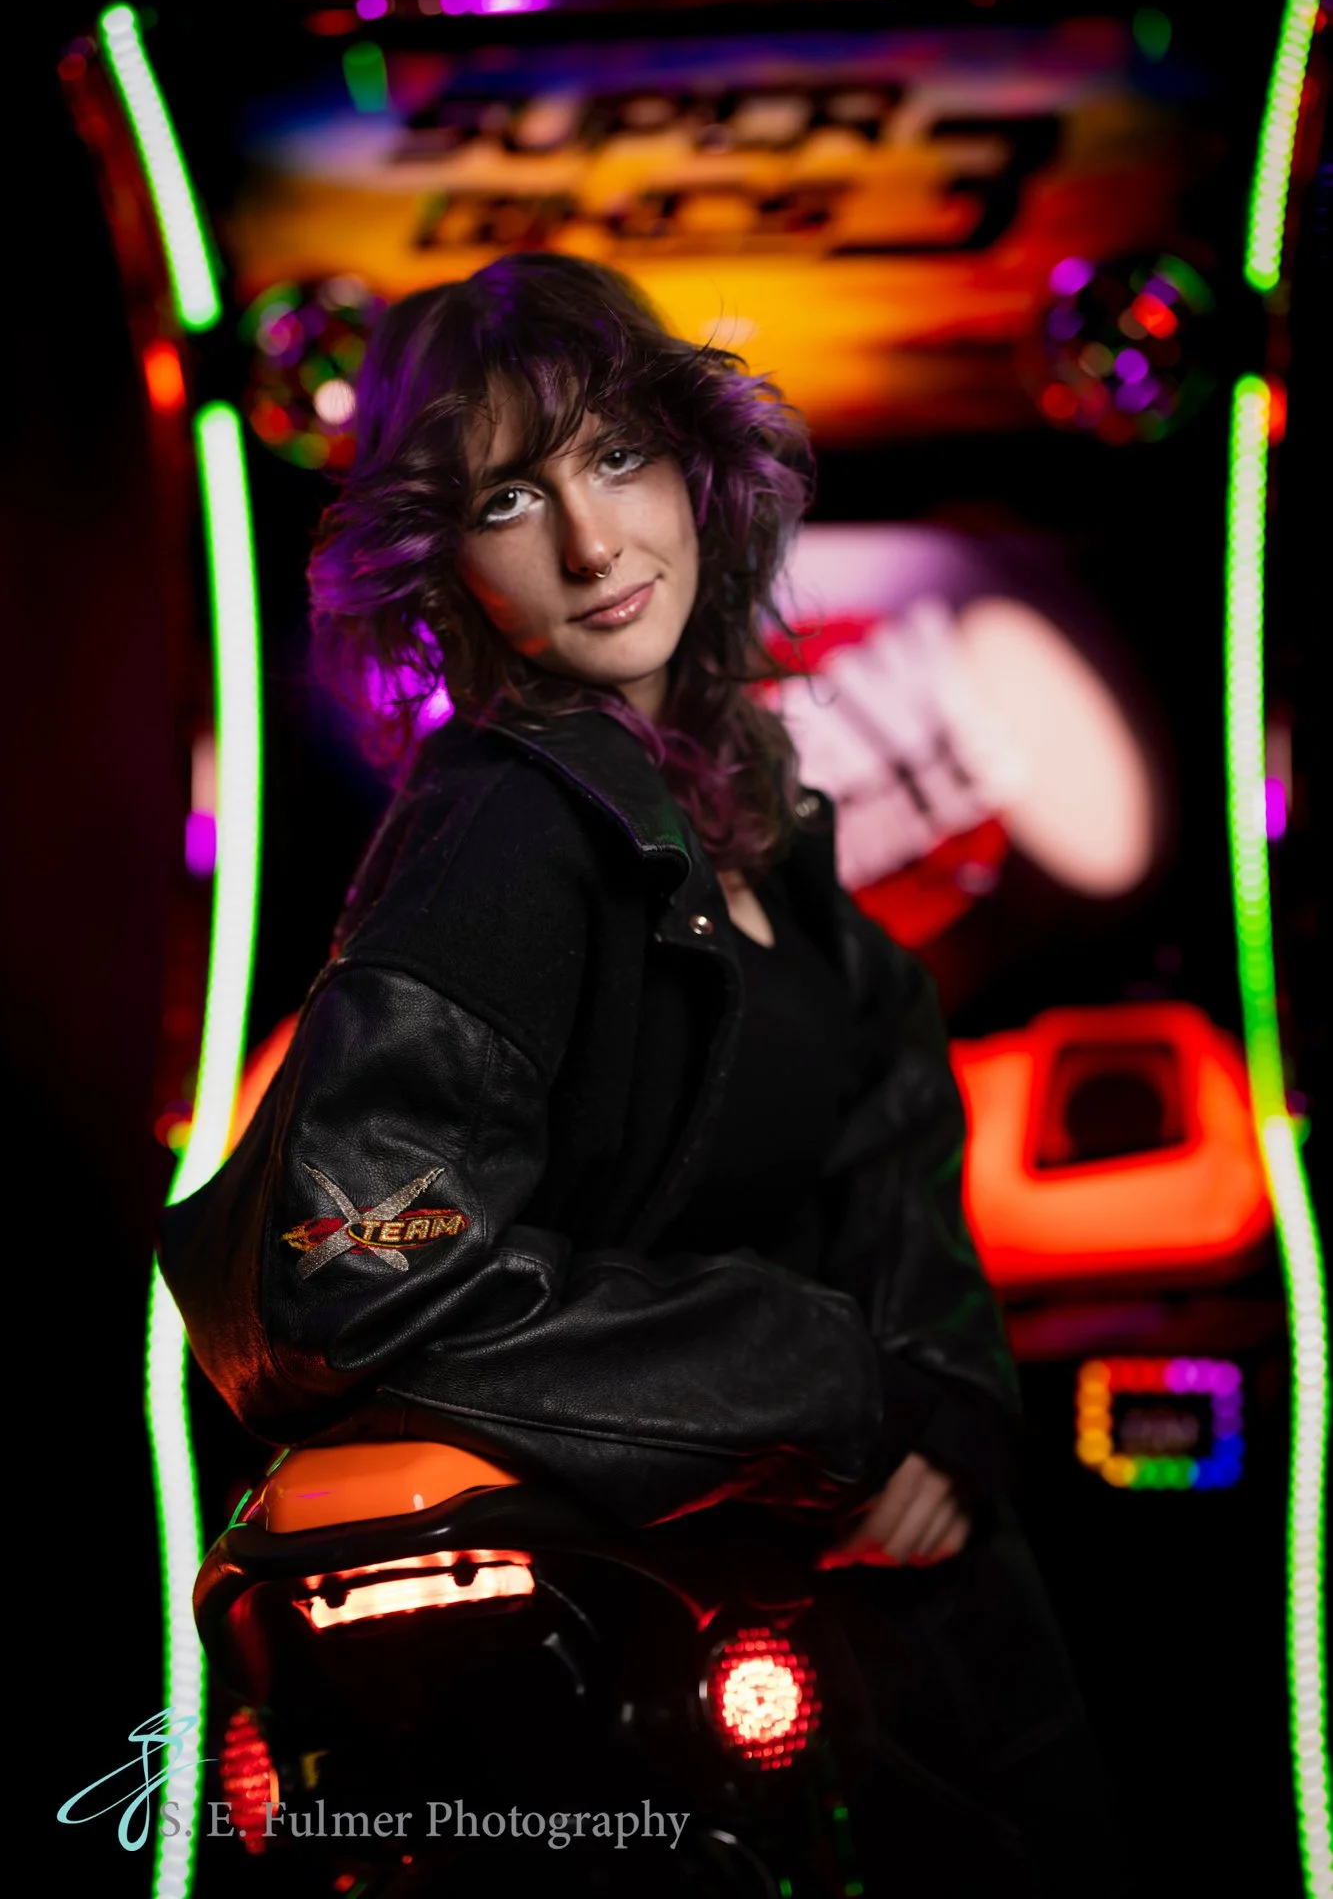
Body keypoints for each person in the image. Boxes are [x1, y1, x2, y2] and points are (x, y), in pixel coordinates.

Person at [160, 253, 1130, 1896]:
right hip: (617, 1674)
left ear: (700, 470)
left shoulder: (759, 809)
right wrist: (813, 1379)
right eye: (507, 498)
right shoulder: (502, 824)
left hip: (831, 1612)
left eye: (618, 457)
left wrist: (940, 1406)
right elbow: (350, 1273)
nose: (595, 545)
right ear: (444, 566)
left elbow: (887, 1126)